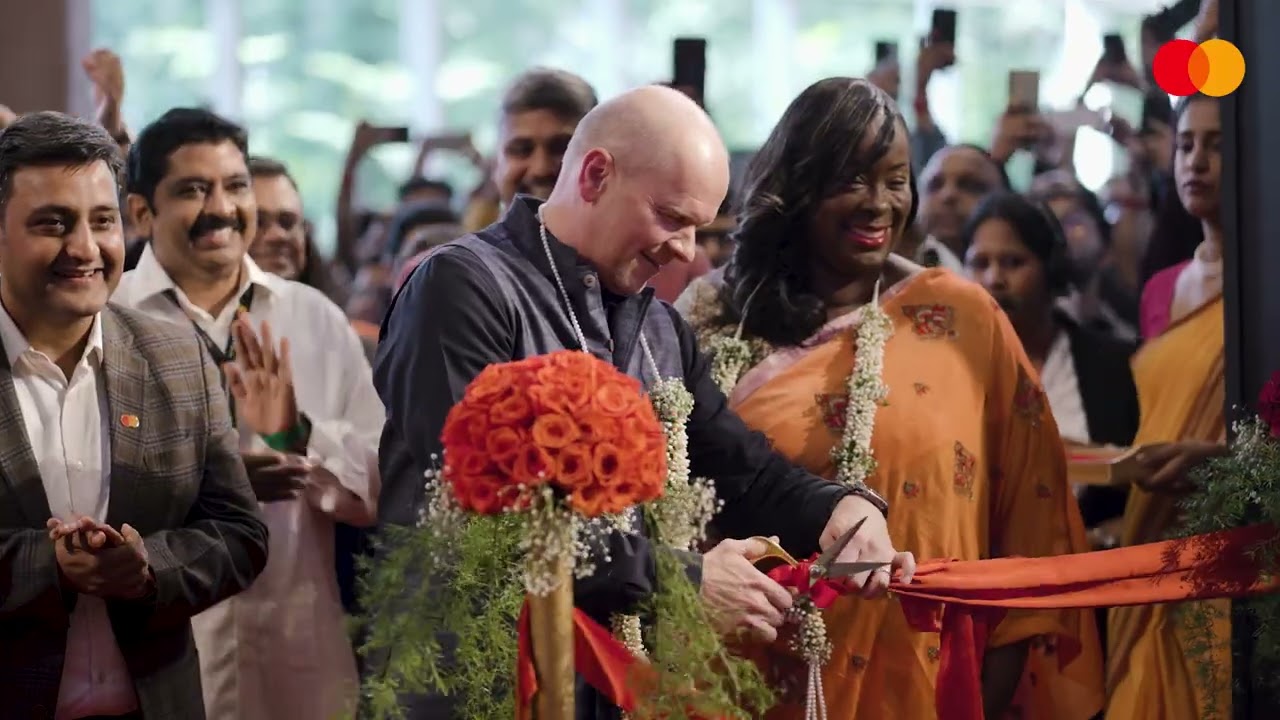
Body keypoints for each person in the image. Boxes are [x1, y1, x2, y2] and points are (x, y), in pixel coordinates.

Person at [374, 85, 913, 719]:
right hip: (476, 682)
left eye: (700, 226)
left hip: (617, 691)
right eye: (671, 218)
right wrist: (683, 581)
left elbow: (746, 472)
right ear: (597, 174)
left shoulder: (659, 329)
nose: (686, 250)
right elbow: (487, 515)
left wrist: (844, 511)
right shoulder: (464, 288)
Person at [678, 78, 1102, 720]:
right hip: (745, 682)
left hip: (924, 684)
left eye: (896, 180)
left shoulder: (963, 320)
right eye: (853, 180)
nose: (880, 204)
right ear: (798, 186)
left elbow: (1030, 529)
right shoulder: (711, 316)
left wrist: (979, 701)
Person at [113, 108, 384, 720]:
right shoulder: (106, 318)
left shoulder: (313, 318)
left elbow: (375, 488)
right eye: (192, 189)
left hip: (295, 645)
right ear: (139, 213)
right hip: (157, 653)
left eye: (234, 186)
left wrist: (297, 434)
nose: (223, 207)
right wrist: (213, 482)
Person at [0, 112, 268, 719]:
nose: (85, 249)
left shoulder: (174, 356)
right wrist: (51, 566)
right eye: (52, 224)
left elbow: (240, 535)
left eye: (102, 221)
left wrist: (147, 569)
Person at [1105, 93, 1230, 720]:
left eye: (1216, 144)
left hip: (1232, 543)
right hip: (1149, 524)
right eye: (1186, 145)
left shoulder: (1266, 284)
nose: (1196, 161)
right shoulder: (1160, 288)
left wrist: (1218, 462)